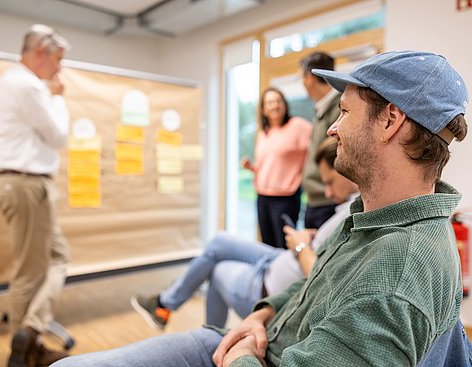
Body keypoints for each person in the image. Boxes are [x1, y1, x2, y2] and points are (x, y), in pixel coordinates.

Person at [53, 50, 468, 367]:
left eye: (343, 112)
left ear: (390, 120)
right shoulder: (370, 217)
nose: (335, 128)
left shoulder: (396, 275)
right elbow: (314, 282)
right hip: (255, 339)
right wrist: (263, 313)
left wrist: (243, 353)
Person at [131, 138, 358, 329]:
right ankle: (165, 303)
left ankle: (173, 312)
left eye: (329, 182)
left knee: (217, 270)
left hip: (273, 283)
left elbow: (323, 278)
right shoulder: (352, 205)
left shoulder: (356, 213)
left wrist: (300, 246)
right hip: (280, 259)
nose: (327, 191)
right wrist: (309, 240)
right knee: (219, 242)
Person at [0, 24, 71, 367]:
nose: (59, 68)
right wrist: (57, 97)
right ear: (40, 51)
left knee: (57, 257)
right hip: (26, 184)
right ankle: (24, 343)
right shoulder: (27, 85)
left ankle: (31, 336)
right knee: (31, 271)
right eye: (58, 59)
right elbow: (58, 136)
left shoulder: (15, 83)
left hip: (22, 182)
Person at [241, 87, 311, 248]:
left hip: (285, 198)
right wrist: (251, 167)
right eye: (270, 102)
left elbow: (314, 154)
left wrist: (304, 178)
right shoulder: (264, 133)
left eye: (278, 101)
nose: (274, 105)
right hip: (262, 196)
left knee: (284, 246)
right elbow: (268, 166)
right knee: (267, 245)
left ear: (285, 105)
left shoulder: (298, 126)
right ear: (263, 109)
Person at [300, 51, 341, 230]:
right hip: (315, 198)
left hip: (327, 199)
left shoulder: (339, 107)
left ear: (309, 77)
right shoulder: (321, 109)